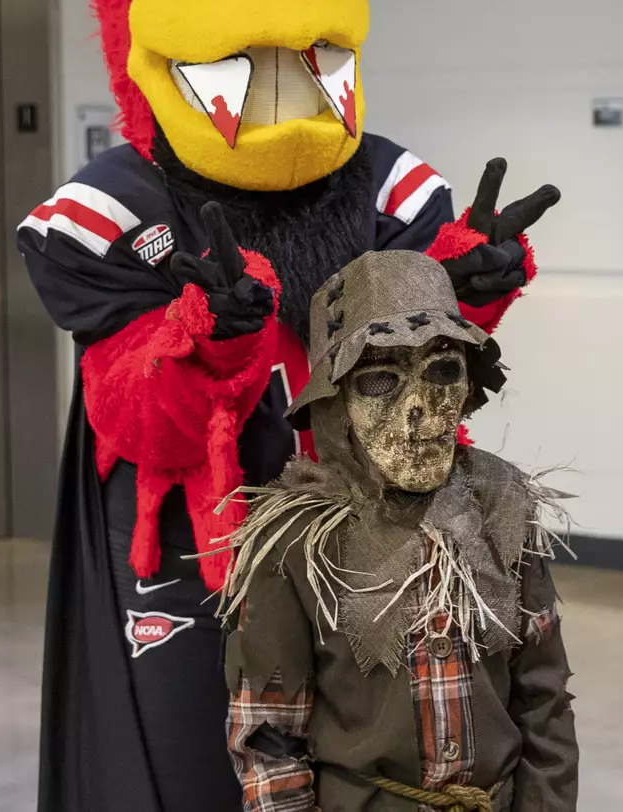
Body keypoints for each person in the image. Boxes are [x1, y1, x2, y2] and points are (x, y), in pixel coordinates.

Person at [17, 0, 558, 812]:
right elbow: (141, 418)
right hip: (192, 552)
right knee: (203, 770)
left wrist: (469, 286)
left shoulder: (384, 182)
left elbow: (415, 347)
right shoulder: (115, 208)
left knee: (372, 767)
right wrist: (207, 339)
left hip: (369, 543)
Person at [217, 250, 577, 811]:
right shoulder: (295, 541)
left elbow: (544, 699)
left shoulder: (501, 506)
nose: (420, 408)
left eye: (441, 371)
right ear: (337, 404)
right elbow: (270, 739)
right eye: (382, 381)